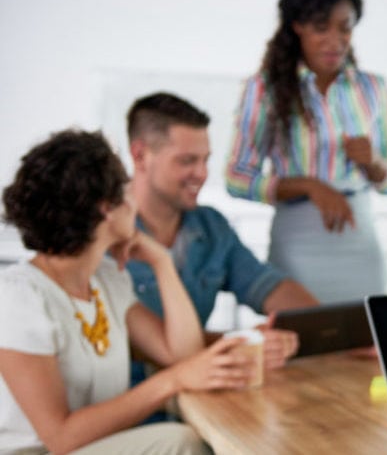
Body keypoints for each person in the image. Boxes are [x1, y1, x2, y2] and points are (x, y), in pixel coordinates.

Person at [0, 130, 253, 454]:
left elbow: (183, 353)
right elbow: (60, 438)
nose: (134, 197)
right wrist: (171, 381)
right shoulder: (20, 298)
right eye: (127, 188)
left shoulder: (106, 280)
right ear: (106, 207)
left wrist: (162, 263)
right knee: (181, 444)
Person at [225, 0, 387, 304]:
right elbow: (236, 177)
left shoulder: (373, 90)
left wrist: (375, 163)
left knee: (367, 344)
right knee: (300, 344)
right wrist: (310, 186)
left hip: (359, 240)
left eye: (345, 28)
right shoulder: (263, 90)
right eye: (321, 27)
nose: (335, 41)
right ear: (297, 26)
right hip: (298, 241)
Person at [126, 92, 319, 381]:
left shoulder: (210, 226)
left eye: (205, 160)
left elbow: (266, 284)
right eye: (187, 161)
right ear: (140, 155)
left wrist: (328, 325)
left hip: (201, 398)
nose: (202, 174)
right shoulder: (105, 233)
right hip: (136, 408)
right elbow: (140, 343)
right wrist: (245, 343)